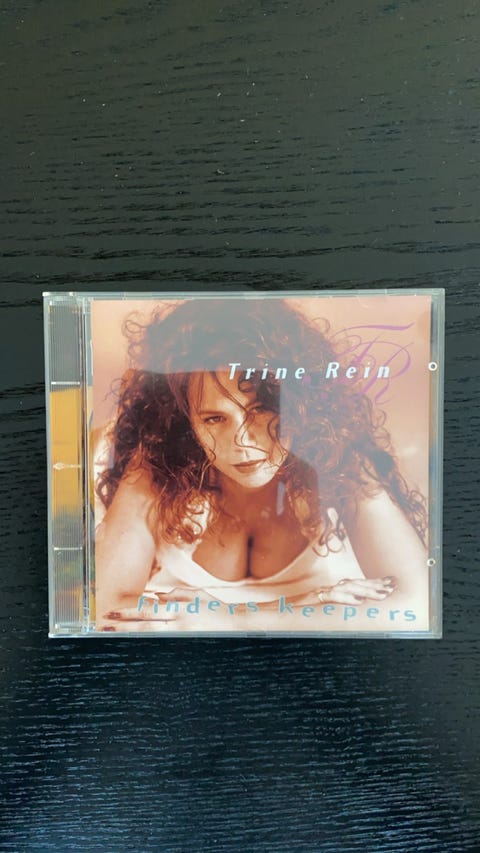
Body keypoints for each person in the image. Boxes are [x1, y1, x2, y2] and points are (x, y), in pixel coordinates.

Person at [94, 297, 428, 632]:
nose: (242, 440)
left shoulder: (340, 458)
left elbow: (419, 607)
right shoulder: (157, 462)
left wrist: (233, 618)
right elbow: (106, 612)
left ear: (300, 406)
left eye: (261, 410)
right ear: (186, 422)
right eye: (214, 418)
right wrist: (301, 603)